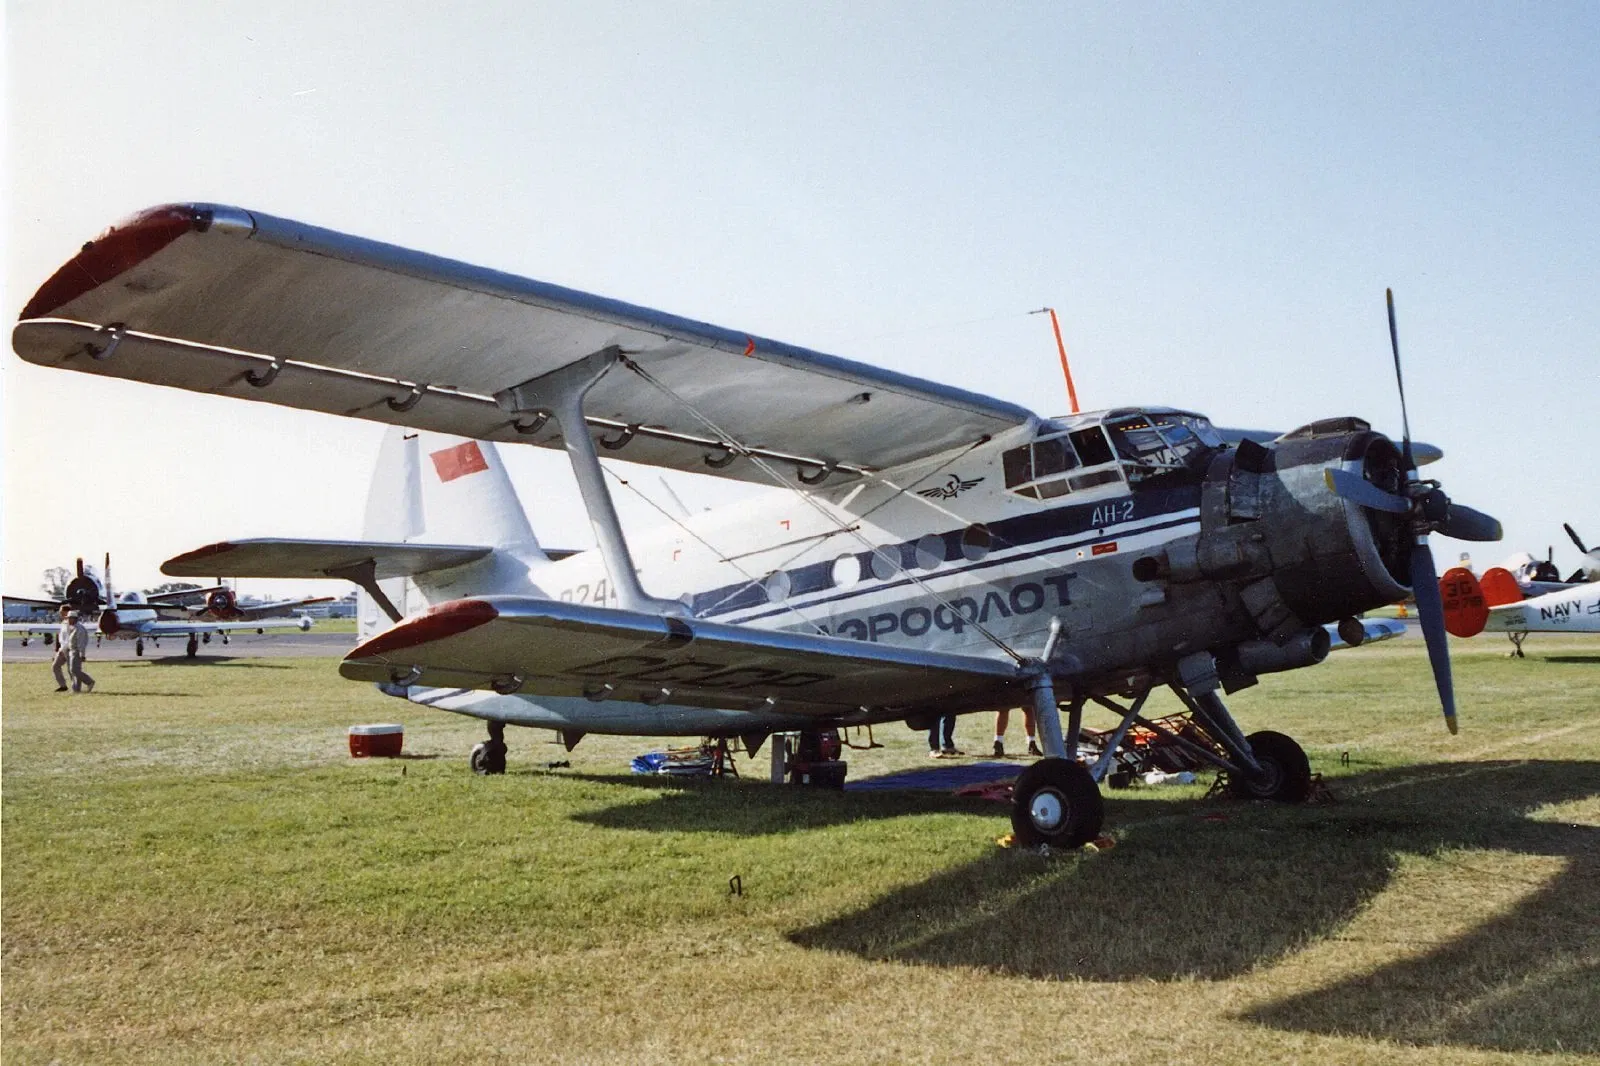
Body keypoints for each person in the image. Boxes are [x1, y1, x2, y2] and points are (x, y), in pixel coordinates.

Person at [63, 610, 94, 694]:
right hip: (71, 650)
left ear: (75, 619)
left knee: (74, 670)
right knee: (72, 670)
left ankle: (89, 681)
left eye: (70, 618)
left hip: (76, 651)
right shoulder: (72, 627)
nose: (68, 620)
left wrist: (82, 654)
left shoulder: (80, 629)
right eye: (68, 618)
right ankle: (76, 689)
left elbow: (81, 643)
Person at [50, 604, 72, 692]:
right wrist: (59, 648)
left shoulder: (71, 624)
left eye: (62, 612)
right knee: (55, 666)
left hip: (69, 649)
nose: (60, 613)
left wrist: (64, 649)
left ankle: (78, 686)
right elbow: (61, 637)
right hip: (62, 649)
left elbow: (69, 638)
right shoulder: (63, 623)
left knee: (72, 670)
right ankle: (63, 686)